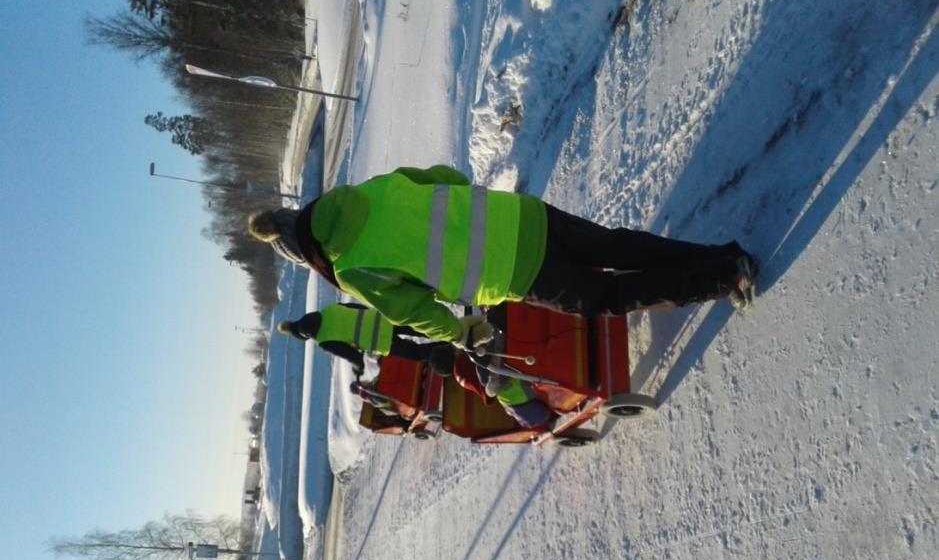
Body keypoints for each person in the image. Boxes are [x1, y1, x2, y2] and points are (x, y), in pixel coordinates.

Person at [249, 165, 756, 349]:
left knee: (606, 296)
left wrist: (461, 332)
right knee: (617, 245)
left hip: (512, 270)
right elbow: (445, 176)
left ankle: (724, 279)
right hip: (521, 216)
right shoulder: (365, 190)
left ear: (305, 255)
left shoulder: (351, 269)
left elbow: (413, 312)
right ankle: (720, 256)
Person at [277, 303, 445, 374]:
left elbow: (352, 355)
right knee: (421, 329)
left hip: (380, 340)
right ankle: (451, 334)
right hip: (382, 318)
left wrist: (359, 368)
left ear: (305, 336)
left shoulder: (324, 340)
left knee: (416, 353)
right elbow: (357, 308)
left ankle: (447, 350)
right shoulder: (328, 310)